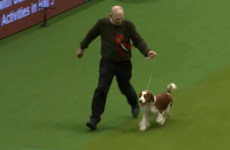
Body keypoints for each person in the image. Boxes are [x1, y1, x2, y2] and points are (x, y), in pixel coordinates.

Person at [76, 5, 157, 130]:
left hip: (124, 63)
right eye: (117, 19)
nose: (120, 21)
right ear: (110, 16)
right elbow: (90, 35)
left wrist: (148, 51)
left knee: (124, 87)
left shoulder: (128, 25)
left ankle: (134, 103)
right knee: (101, 88)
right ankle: (94, 119)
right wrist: (82, 47)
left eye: (122, 18)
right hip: (107, 62)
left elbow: (138, 40)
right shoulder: (102, 24)